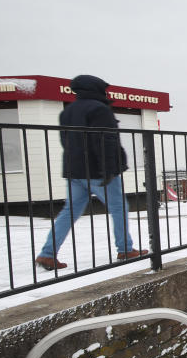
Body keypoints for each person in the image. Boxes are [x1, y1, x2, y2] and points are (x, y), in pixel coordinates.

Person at [35, 75, 148, 270]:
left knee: (69, 211)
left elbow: (65, 142)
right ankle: (125, 249)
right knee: (118, 207)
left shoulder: (67, 112)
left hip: (74, 171)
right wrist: (109, 169)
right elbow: (106, 141)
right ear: (96, 89)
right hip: (98, 170)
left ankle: (47, 254)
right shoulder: (99, 109)